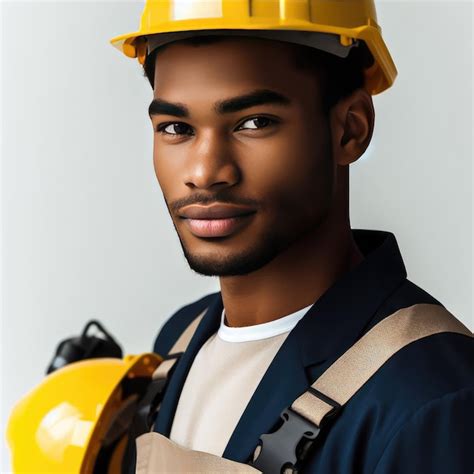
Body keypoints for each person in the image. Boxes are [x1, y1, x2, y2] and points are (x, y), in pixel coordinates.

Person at [110, 2, 473, 472]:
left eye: (254, 123)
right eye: (177, 128)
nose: (204, 173)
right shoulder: (178, 343)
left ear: (350, 130)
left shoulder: (434, 401)